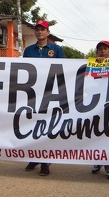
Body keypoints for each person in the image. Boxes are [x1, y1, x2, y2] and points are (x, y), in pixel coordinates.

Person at [23, 20, 64, 176]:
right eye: (37, 29)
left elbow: (64, 71)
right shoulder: (28, 51)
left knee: (47, 126)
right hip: (33, 95)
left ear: (48, 32)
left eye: (43, 29)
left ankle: (45, 162)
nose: (40, 32)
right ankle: (34, 158)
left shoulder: (57, 49)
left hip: (50, 94)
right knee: (32, 126)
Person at [90, 40, 109, 179]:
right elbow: (88, 83)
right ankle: (97, 161)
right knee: (96, 135)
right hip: (95, 106)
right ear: (96, 52)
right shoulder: (92, 65)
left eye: (105, 48)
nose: (103, 51)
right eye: (100, 49)